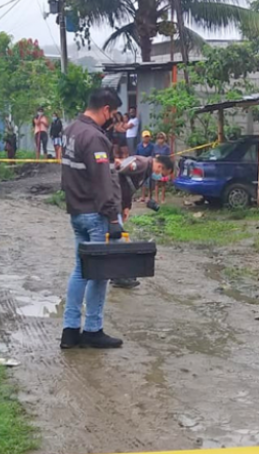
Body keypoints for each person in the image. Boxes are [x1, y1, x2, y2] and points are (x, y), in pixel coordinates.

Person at [61, 88, 126, 350]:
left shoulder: (70, 131)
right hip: (96, 215)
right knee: (100, 273)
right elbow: (102, 183)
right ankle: (93, 330)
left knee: (80, 270)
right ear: (106, 110)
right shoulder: (95, 137)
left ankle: (70, 331)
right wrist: (112, 218)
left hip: (76, 212)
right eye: (113, 114)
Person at [110, 154, 175, 290]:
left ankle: (118, 274)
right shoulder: (141, 164)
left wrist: (126, 206)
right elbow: (116, 172)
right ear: (159, 166)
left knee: (116, 239)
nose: (160, 176)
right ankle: (119, 275)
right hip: (111, 202)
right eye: (162, 173)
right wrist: (115, 203)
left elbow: (128, 185)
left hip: (118, 203)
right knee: (118, 240)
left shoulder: (145, 170)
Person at [152, 133, 173, 203]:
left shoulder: (167, 147)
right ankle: (156, 198)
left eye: (161, 138)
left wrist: (160, 156)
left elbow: (168, 157)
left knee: (163, 183)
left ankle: (163, 199)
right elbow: (152, 156)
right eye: (158, 138)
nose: (160, 139)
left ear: (164, 139)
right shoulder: (155, 146)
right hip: (157, 167)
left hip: (164, 167)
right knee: (157, 183)